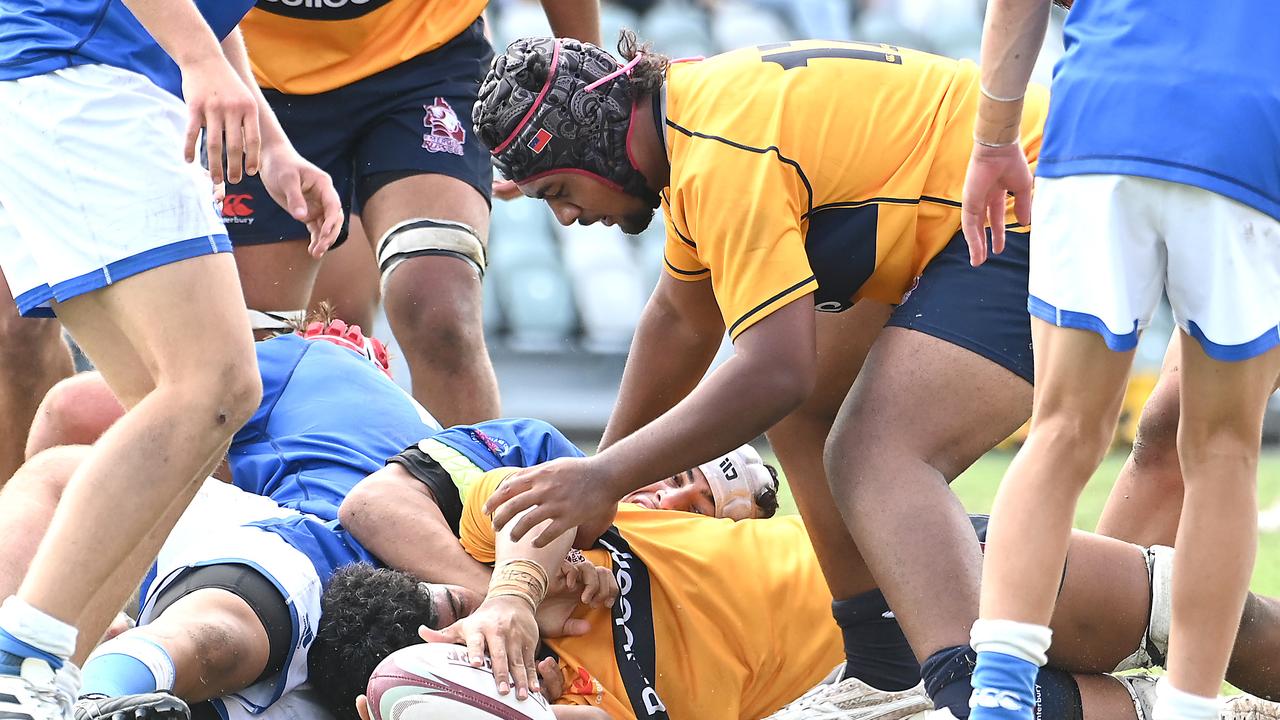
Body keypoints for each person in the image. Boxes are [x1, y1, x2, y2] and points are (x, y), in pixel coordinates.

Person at [467, 33, 1046, 718]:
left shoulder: (715, 155)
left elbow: (776, 370)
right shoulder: (693, 125)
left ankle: (974, 697)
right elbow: (681, 323)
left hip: (1021, 199)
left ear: (598, 139)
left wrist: (608, 478)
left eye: (558, 190)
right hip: (974, 204)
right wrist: (603, 484)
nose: (566, 216)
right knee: (814, 412)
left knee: (875, 456)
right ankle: (885, 669)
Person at [309, 466, 1280, 720]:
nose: (473, 626)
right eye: (450, 633)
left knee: (1197, 613)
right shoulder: (555, 699)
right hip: (890, 700)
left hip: (916, 573)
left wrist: (510, 591)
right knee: (1170, 711)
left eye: (450, 606)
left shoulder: (514, 547)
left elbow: (539, 509)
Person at [0, 1, 342, 718]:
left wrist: (269, 141)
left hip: (75, 82)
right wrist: (200, 61)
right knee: (213, 384)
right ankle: (19, 659)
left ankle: (50, 679)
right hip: (80, 76)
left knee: (190, 423)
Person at [958, 2, 1280, 719]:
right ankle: (1188, 709)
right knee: (1224, 450)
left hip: (1104, 111)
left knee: (1062, 428)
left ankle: (1000, 701)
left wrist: (992, 142)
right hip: (1251, 128)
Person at [219, 0, 602, 426]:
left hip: (424, 54)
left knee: (440, 312)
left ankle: (471, 489)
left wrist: (580, 97)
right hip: (256, 73)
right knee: (265, 355)